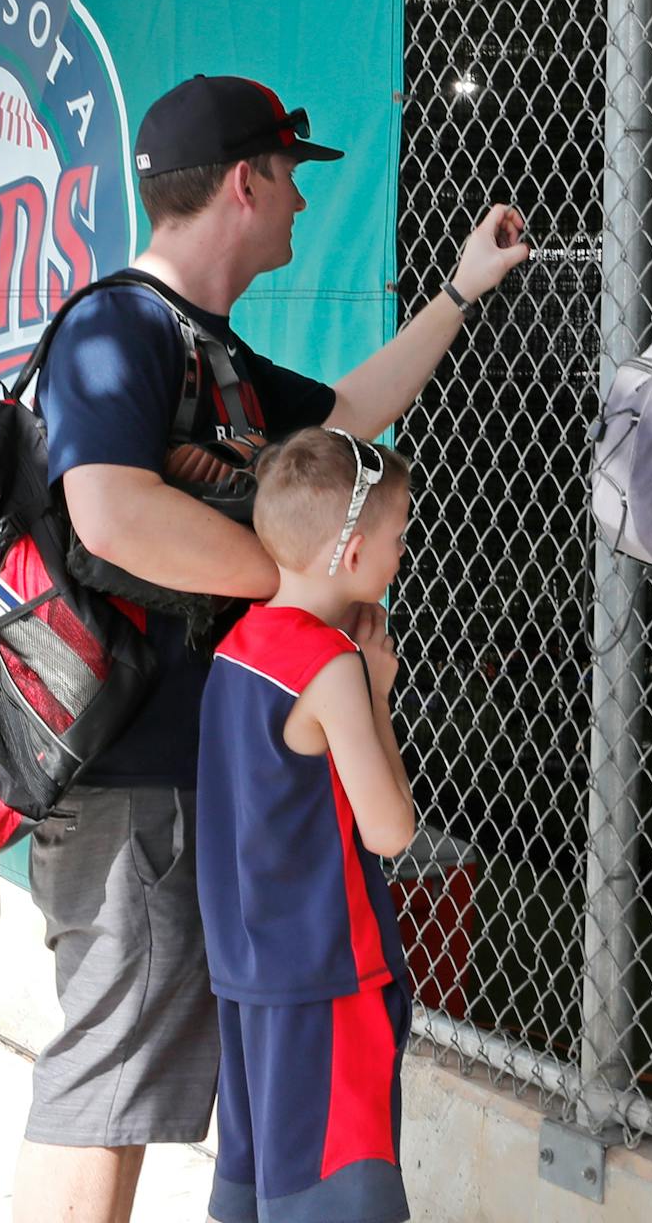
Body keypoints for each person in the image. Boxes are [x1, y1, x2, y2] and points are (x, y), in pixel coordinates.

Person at [14, 73, 528, 1223]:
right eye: (293, 178)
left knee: (145, 1077)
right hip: (125, 773)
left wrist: (457, 292)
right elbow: (108, 509)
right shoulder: (122, 325)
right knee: (111, 1075)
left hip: (181, 774)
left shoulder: (216, 348)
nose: (302, 203)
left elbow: (345, 420)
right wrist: (293, 586)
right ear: (244, 182)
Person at [197, 427, 417, 1223]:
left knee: (264, 1194)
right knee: (332, 1196)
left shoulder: (235, 645)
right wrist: (381, 695)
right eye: (397, 539)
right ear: (353, 556)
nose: (402, 555)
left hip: (249, 975)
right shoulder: (330, 665)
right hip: (327, 976)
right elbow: (391, 830)